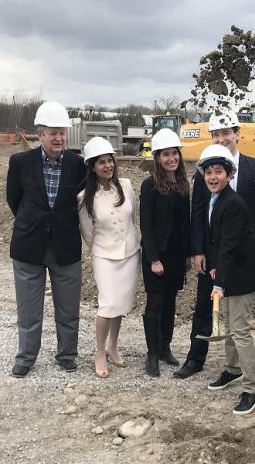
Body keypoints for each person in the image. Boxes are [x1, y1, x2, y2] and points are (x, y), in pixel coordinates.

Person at [174, 109, 255, 379]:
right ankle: (195, 359)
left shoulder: (254, 166)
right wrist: (198, 250)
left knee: (233, 317)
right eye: (216, 134)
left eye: (226, 133)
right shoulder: (205, 169)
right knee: (205, 307)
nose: (221, 138)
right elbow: (197, 213)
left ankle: (237, 370)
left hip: (242, 253)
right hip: (212, 255)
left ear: (237, 134)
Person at [6, 101, 87, 378]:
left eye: (62, 132)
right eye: (52, 132)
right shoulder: (20, 163)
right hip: (29, 246)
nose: (58, 138)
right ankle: (26, 357)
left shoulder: (78, 166)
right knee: (29, 310)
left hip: (65, 247)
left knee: (68, 309)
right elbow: (14, 200)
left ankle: (67, 355)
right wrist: (34, 224)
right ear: (39, 134)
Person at [196, 144, 255, 415]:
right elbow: (217, 241)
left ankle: (253, 387)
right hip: (227, 273)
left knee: (239, 330)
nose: (213, 177)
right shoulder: (217, 199)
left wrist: (218, 282)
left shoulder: (233, 204)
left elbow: (230, 246)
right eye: (209, 172)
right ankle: (233, 369)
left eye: (219, 172)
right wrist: (214, 269)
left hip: (241, 277)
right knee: (228, 322)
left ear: (228, 174)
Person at [77, 137, 140, 379]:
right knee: (107, 305)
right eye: (101, 162)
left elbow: (131, 220)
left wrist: (128, 245)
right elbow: (88, 233)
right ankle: (99, 351)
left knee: (121, 305)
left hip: (130, 254)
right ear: (92, 166)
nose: (108, 166)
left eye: (110, 160)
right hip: (104, 256)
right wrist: (106, 249)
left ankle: (114, 346)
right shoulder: (85, 198)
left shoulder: (125, 186)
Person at [139, 129, 191, 377]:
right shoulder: (149, 186)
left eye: (174, 154)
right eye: (166, 155)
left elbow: (187, 222)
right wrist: (154, 259)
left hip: (177, 255)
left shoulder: (182, 185)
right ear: (157, 158)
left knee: (170, 302)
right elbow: (146, 225)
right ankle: (151, 353)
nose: (171, 159)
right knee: (155, 302)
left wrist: (189, 254)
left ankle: (165, 348)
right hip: (157, 255)